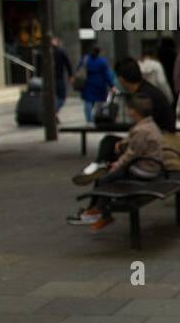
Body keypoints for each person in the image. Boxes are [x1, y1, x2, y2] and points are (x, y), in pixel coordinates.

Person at [68, 95, 165, 230]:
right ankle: (97, 201)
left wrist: (117, 166)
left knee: (104, 179)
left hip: (144, 169)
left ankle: (102, 213)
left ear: (133, 112)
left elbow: (131, 154)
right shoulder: (149, 125)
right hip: (151, 166)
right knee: (107, 169)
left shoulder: (141, 130)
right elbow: (134, 144)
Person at [78, 46, 114, 124]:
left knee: (88, 102)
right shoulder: (102, 61)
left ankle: (89, 120)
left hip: (87, 84)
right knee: (99, 102)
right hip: (99, 84)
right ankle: (98, 117)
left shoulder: (85, 60)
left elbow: (79, 70)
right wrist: (111, 85)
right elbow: (107, 74)